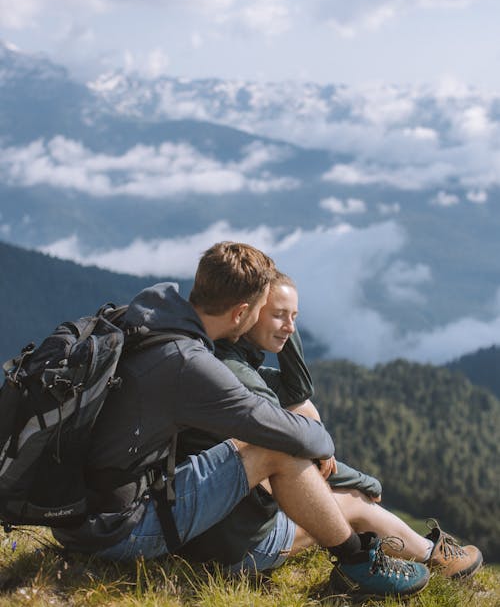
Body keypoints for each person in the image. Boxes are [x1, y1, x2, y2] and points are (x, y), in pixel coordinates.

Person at [51, 241, 431, 601]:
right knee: (274, 449)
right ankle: (357, 563)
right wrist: (320, 436)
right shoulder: (190, 365)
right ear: (240, 314)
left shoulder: (149, 318)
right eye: (262, 309)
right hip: (121, 532)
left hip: (80, 516)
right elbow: (280, 432)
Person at [177, 271, 483, 583]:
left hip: (211, 519)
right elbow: (292, 446)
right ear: (248, 313)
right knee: (355, 502)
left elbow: (298, 391)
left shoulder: (228, 357)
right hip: (231, 546)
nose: (291, 326)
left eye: (295, 316)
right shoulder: (238, 377)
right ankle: (435, 558)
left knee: (303, 412)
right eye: (278, 315)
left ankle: (420, 549)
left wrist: (281, 316)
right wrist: (365, 481)